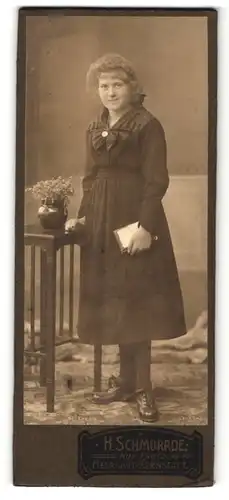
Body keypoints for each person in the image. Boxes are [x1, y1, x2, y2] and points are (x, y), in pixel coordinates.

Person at [65, 53, 186, 422]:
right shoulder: (93, 127)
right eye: (104, 86)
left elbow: (157, 181)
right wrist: (84, 218)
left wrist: (145, 227)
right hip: (101, 222)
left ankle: (144, 388)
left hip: (134, 219)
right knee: (115, 301)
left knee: (137, 302)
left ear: (132, 88)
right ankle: (126, 381)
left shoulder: (148, 126)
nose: (110, 91)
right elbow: (88, 179)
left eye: (117, 84)